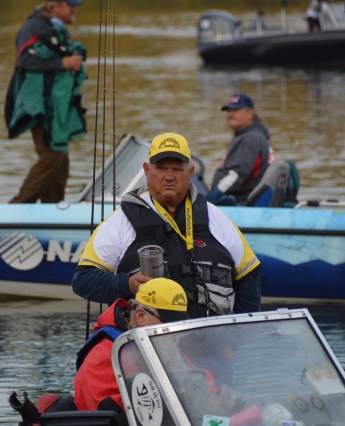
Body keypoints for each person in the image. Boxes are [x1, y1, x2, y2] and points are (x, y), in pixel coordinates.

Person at [71, 132, 262, 318]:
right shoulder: (120, 221)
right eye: (161, 168)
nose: (169, 176)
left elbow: (249, 280)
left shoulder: (216, 218)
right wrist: (126, 284)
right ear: (147, 170)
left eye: (177, 169)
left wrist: (236, 334)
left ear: (190, 172)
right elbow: (83, 280)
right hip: (148, 339)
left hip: (212, 336)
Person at [73, 278, 190, 422]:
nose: (175, 333)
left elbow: (204, 383)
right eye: (168, 325)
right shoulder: (103, 358)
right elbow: (109, 418)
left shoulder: (166, 345)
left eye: (180, 325)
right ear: (141, 316)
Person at [5, 0, 87, 204]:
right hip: (38, 107)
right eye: (70, 5)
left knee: (61, 161)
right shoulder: (34, 26)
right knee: (52, 158)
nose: (75, 9)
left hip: (55, 108)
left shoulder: (56, 28)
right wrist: (63, 62)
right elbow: (24, 60)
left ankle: (51, 210)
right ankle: (17, 206)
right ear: (54, 6)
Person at [206, 93, 275, 207]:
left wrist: (214, 195)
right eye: (228, 111)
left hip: (242, 204)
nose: (230, 114)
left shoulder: (249, 138)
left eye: (235, 110)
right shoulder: (255, 135)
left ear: (250, 114)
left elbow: (236, 175)